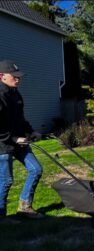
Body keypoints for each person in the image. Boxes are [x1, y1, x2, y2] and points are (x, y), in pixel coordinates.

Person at [0, 59, 44, 222]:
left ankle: (24, 206)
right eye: (15, 76)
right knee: (6, 181)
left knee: (36, 169)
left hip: (19, 142)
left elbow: (20, 118)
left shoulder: (15, 94)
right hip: (2, 145)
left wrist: (31, 131)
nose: (18, 79)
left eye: (19, 76)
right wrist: (12, 138)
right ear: (2, 76)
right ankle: (1, 215)